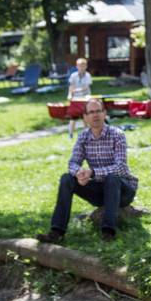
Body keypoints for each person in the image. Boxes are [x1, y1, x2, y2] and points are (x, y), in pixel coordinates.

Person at [37, 98, 138, 243]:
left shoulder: (117, 134)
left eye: (98, 111)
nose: (95, 115)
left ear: (104, 113)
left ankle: (108, 232)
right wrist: (78, 172)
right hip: (100, 192)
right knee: (67, 179)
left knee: (112, 178)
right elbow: (73, 162)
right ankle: (56, 232)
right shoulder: (83, 137)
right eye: (91, 112)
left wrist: (93, 172)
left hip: (123, 191)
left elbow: (120, 167)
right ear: (85, 117)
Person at [66, 57, 93, 137]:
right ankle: (70, 133)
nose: (81, 68)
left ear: (86, 66)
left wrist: (76, 90)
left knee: (85, 115)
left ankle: (87, 132)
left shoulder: (88, 75)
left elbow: (86, 87)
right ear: (77, 66)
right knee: (73, 116)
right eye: (79, 66)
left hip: (85, 97)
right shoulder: (73, 75)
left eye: (83, 66)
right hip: (75, 99)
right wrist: (70, 94)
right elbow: (71, 86)